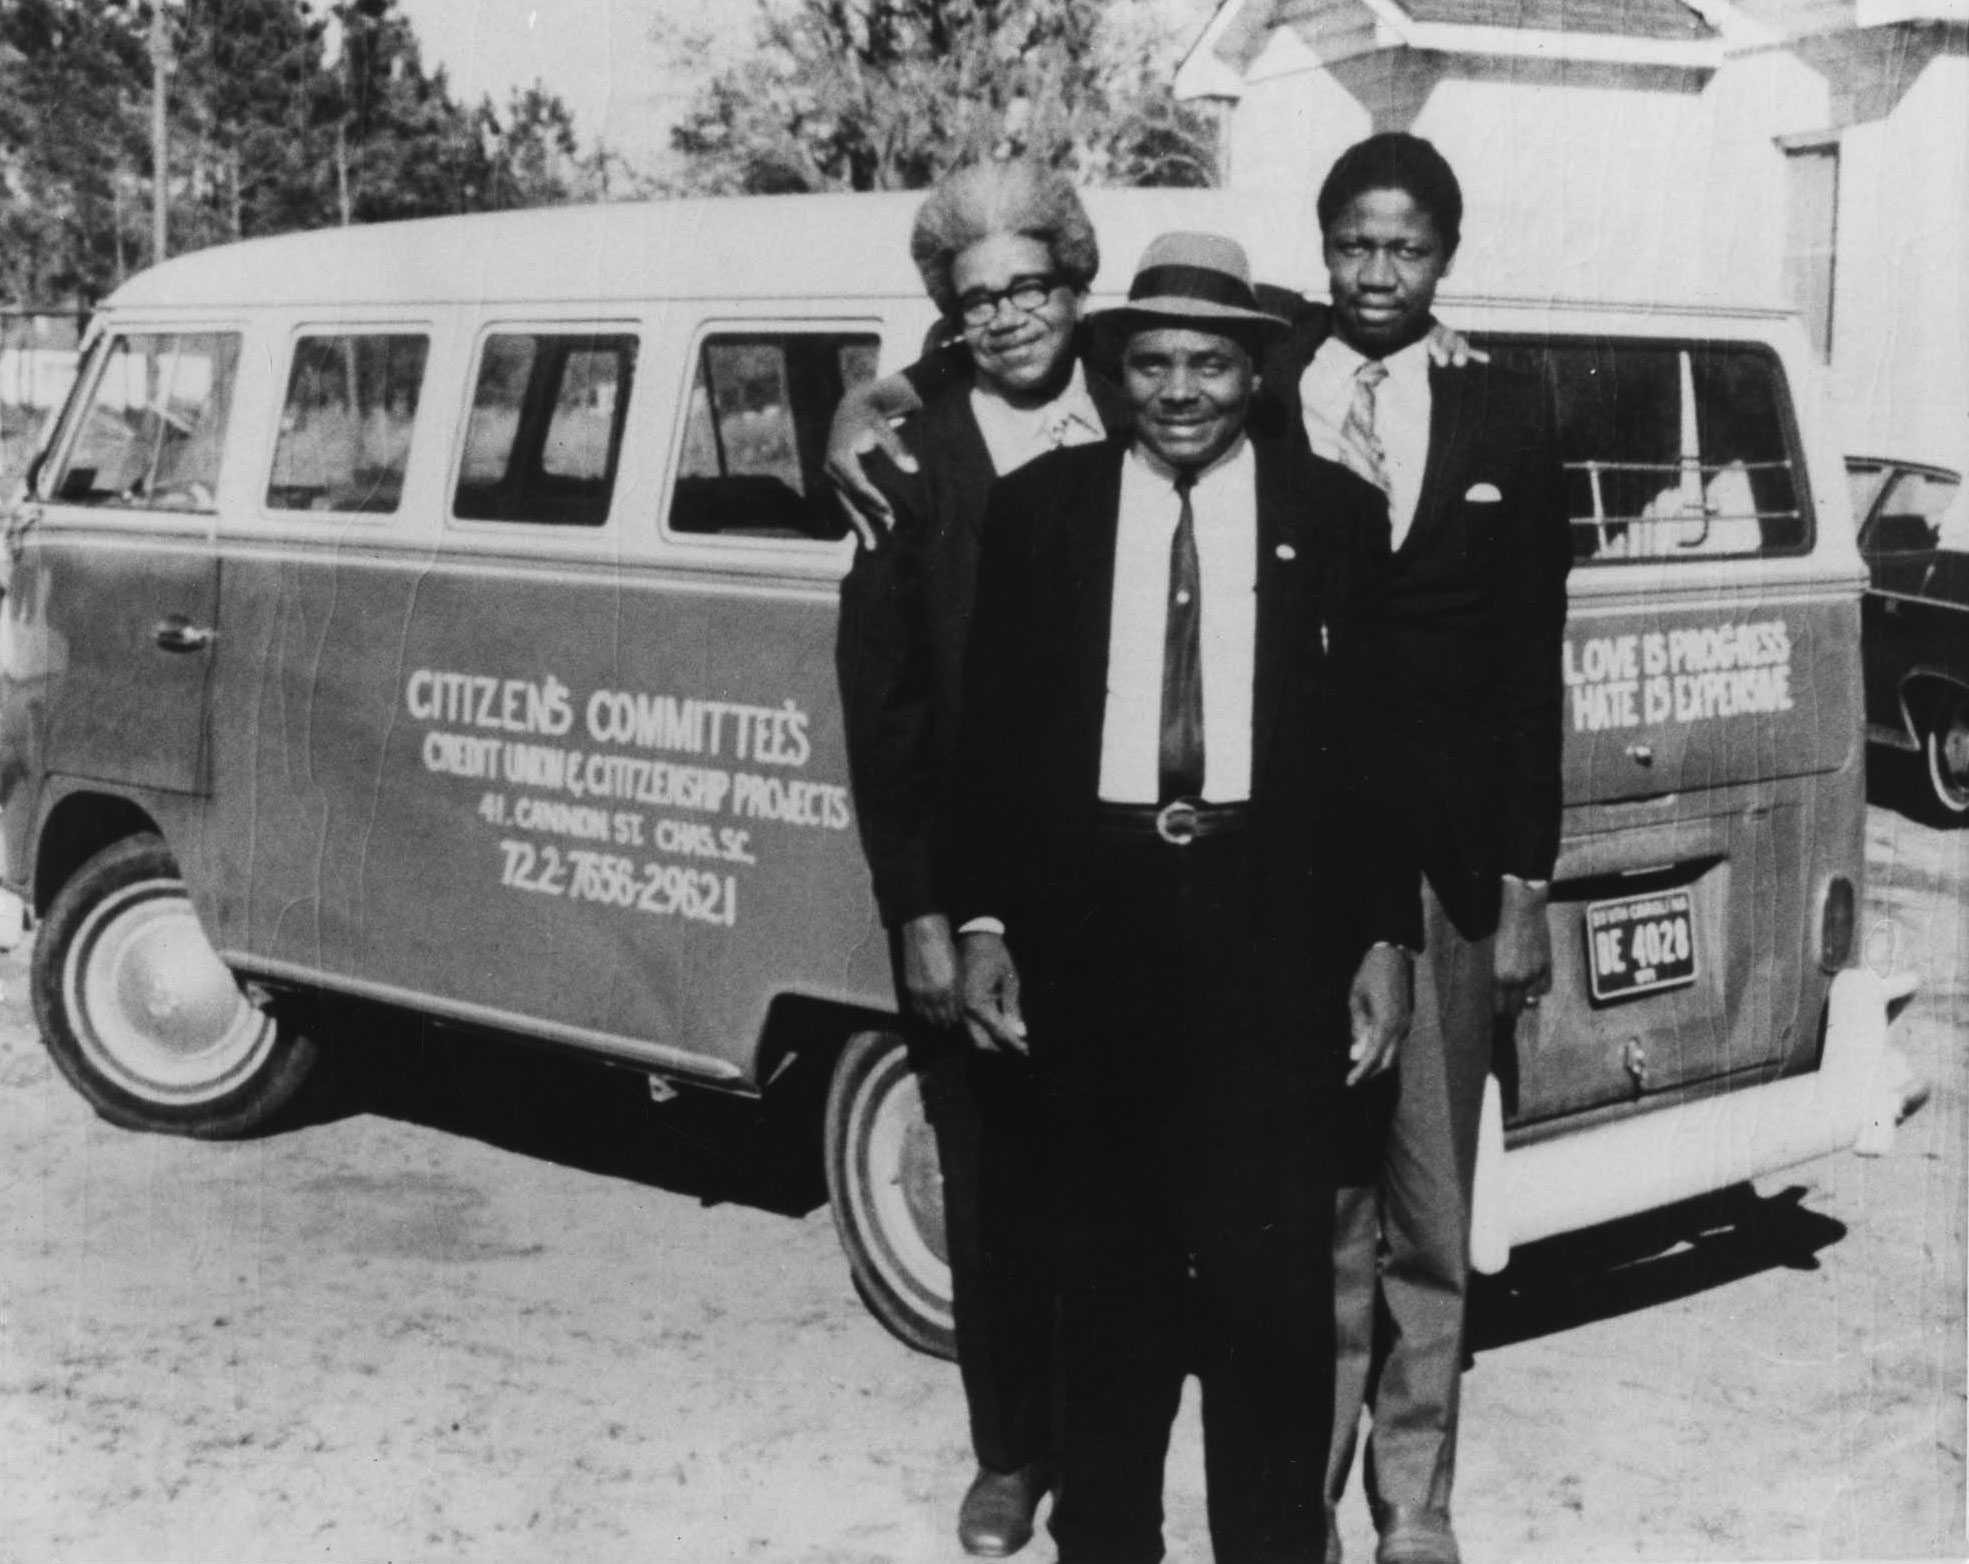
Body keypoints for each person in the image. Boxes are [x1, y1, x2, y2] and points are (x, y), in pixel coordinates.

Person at [947, 231, 1421, 1564]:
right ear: (1111, 369)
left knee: (1268, 1286)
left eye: (1208, 362)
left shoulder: (1329, 514)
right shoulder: (1043, 512)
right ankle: (1106, 1539)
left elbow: (1374, 750)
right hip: (1089, 927)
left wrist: (1379, 934)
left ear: (1254, 372)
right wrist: (983, 919)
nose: (1177, 389)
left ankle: (1270, 1543)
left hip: (1265, 928)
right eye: (1149, 361)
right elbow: (987, 738)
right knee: (1104, 1276)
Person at [1267, 134, 1572, 1564]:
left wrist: (1522, 886)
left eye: (1405, 249)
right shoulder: (1263, 382)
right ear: (1321, 246)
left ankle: (1413, 1498)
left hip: (1448, 871)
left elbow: (1529, 668)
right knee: (1313, 1204)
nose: (1375, 274)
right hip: (1296, 869)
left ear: (1444, 255)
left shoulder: (1505, 412)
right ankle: (1298, 1489)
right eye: (1353, 245)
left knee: (1429, 1212)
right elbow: (1026, 347)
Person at [833, 158, 1127, 1559]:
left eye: (1031, 286)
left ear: (1076, 282)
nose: (1009, 317)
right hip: (973, 872)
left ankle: (1117, 1427)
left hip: (1133, 874)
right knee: (993, 1177)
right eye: (977, 300)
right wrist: (918, 911)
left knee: (1130, 1165)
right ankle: (1010, 1452)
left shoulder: (1153, 409)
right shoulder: (910, 457)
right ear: (947, 319)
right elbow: (882, 705)